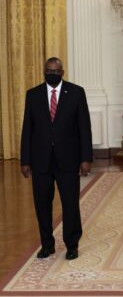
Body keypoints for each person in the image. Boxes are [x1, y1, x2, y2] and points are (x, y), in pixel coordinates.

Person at [20, 57, 93, 260]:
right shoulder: (33, 95)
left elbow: (84, 128)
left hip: (68, 160)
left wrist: (86, 158)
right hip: (40, 160)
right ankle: (47, 244)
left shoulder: (76, 93)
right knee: (42, 204)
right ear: (44, 71)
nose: (51, 74)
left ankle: (71, 245)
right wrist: (25, 160)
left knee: (70, 204)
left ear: (62, 72)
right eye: (48, 71)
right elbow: (28, 129)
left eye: (55, 71)